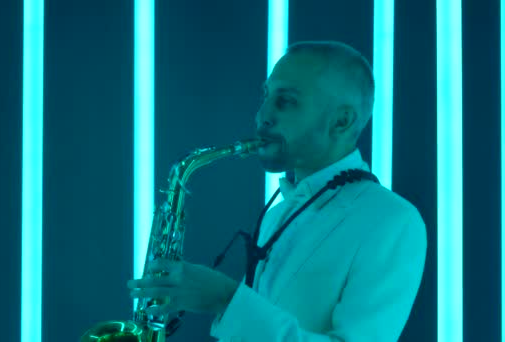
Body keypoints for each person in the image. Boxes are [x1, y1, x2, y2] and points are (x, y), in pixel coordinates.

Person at [127, 40, 427, 341]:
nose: (262, 115)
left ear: (341, 120)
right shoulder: (278, 215)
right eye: (265, 96)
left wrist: (226, 300)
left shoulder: (393, 221)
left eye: (286, 101)